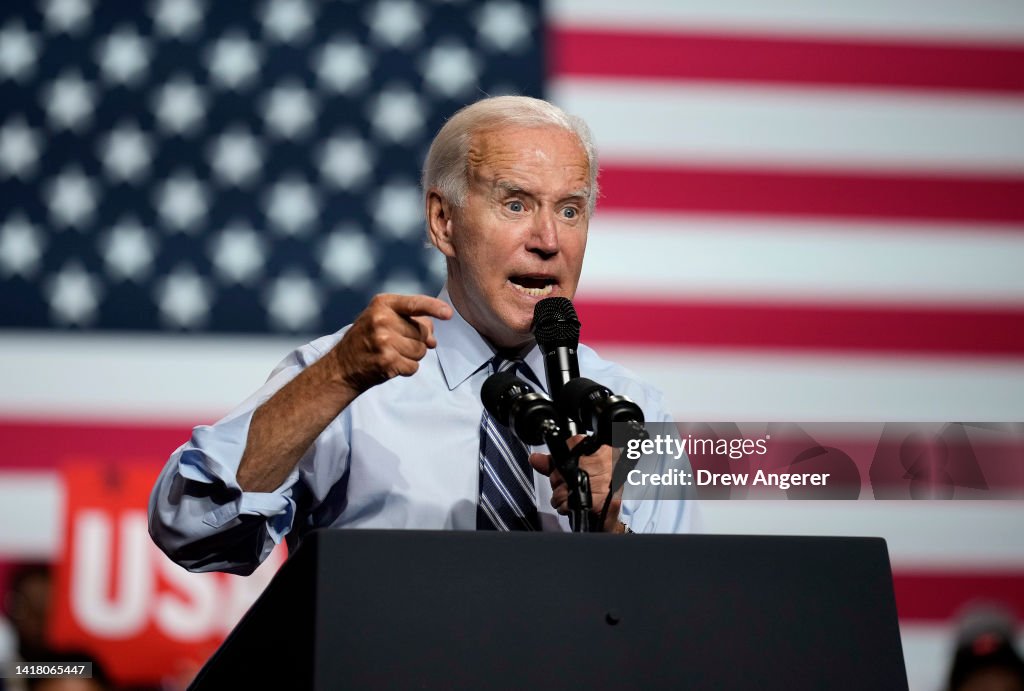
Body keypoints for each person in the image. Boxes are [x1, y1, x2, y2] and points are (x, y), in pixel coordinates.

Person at [148, 96, 693, 575]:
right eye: (516, 204)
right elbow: (191, 529)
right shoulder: (347, 378)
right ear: (443, 221)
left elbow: (675, 621)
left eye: (570, 210)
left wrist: (609, 536)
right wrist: (337, 377)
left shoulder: (637, 408)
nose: (548, 239)